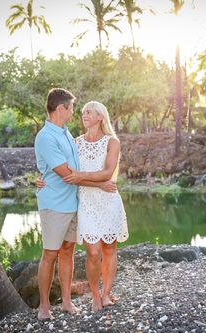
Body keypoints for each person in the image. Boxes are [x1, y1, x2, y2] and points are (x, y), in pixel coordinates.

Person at [37, 100, 129, 312]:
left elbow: (108, 173)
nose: (84, 115)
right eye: (82, 112)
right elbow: (62, 169)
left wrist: (80, 175)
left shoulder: (112, 142)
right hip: (85, 202)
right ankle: (95, 295)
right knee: (93, 252)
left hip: (108, 201)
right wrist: (42, 178)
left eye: (89, 112)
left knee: (110, 248)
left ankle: (106, 294)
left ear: (100, 117)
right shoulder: (75, 142)